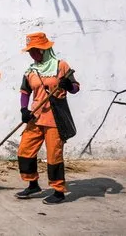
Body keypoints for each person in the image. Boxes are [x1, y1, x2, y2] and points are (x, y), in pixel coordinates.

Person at [15, 32, 80, 205]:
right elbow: (25, 91)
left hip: (55, 119)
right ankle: (33, 184)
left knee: (54, 155)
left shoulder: (61, 66)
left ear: (45, 49)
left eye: (35, 50)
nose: (32, 54)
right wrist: (23, 109)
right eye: (30, 51)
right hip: (35, 117)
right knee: (24, 150)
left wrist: (68, 86)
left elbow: (75, 87)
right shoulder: (31, 70)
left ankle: (59, 191)